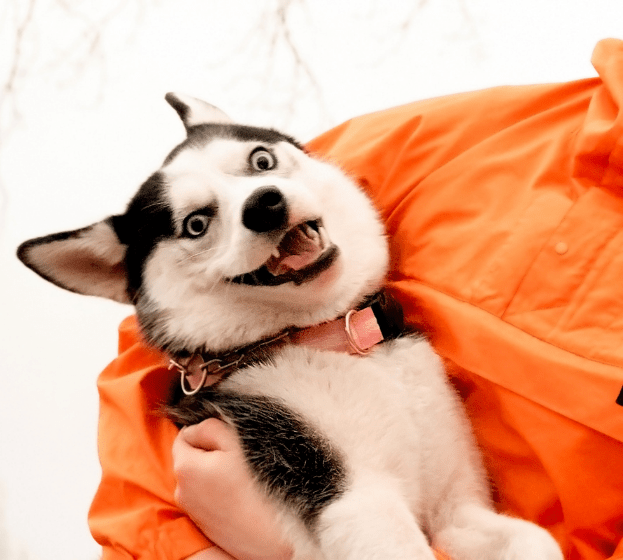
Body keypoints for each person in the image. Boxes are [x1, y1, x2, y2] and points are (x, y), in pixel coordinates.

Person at [87, 38, 623, 560]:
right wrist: (183, 546)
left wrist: (289, 548)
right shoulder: (489, 134)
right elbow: (159, 337)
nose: (260, 195)